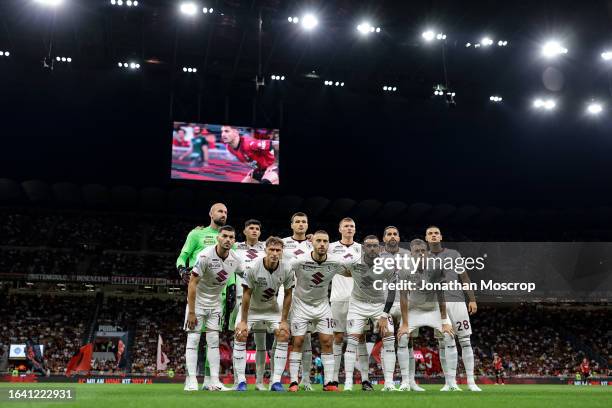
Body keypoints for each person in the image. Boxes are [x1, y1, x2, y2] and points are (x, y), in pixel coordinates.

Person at [287, 230, 353, 392]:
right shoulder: (300, 261)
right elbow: (285, 271)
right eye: (319, 241)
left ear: (329, 244)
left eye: (325, 241)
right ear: (312, 243)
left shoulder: (335, 262)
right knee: (298, 342)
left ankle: (329, 382)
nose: (322, 244)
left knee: (327, 341)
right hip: (301, 305)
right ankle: (294, 382)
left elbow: (350, 272)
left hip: (322, 305)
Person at [184, 226, 243, 392]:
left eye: (231, 237)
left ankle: (214, 381)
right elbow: (192, 283)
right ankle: (192, 381)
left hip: (216, 303)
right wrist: (192, 311)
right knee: (194, 340)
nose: (228, 240)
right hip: (198, 303)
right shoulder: (205, 256)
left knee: (213, 342)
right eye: (224, 236)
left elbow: (246, 275)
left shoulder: (235, 258)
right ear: (218, 238)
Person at [343, 235, 404, 392]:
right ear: (363, 247)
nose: (372, 248)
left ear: (380, 248)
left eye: (375, 246)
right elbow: (338, 269)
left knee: (389, 338)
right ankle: (348, 383)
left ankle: (389, 383)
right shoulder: (353, 262)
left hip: (379, 305)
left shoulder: (387, 265)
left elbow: (392, 290)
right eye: (368, 246)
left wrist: (384, 315)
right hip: (357, 305)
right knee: (352, 341)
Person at [233, 236, 294, 392]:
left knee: (283, 333)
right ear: (265, 250)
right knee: (240, 334)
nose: (274, 253)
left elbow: (288, 294)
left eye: (278, 250)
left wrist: (284, 320)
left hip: (271, 310)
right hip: (251, 309)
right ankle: (241, 381)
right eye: (271, 250)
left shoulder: (287, 269)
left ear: (282, 252)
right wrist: (243, 321)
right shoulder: (253, 267)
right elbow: (246, 295)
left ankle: (275, 382)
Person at [394, 239, 456, 391]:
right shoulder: (405, 269)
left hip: (434, 308)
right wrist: (405, 324)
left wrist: (444, 320)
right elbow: (403, 296)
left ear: (427, 252)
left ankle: (451, 383)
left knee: (449, 335)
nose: (421, 253)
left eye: (423, 251)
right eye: (417, 251)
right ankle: (406, 382)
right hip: (414, 308)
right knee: (402, 337)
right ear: (411, 253)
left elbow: (441, 295)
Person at [425, 226, 481, 391]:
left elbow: (464, 277)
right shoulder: (422, 257)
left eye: (436, 233)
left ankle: (471, 382)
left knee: (465, 341)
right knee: (445, 342)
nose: (434, 236)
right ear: (426, 238)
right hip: (436, 305)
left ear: (440, 236)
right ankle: (450, 383)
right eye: (430, 234)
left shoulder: (454, 254)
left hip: (457, 302)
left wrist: (472, 299)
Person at [328, 218, 369, 387]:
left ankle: (365, 379)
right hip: (337, 298)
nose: (349, 228)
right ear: (339, 229)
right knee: (337, 337)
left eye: (352, 226)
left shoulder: (362, 249)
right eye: (346, 226)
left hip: (358, 299)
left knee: (360, 338)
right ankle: (335, 379)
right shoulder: (330, 247)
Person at [281, 212, 314, 390]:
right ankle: (278, 378)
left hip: (306, 297)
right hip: (285, 294)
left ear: (307, 225)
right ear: (292, 225)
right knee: (282, 335)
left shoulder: (314, 244)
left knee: (306, 338)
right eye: (297, 222)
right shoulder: (283, 243)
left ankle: (306, 379)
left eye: (304, 222)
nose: (301, 224)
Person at [233, 219, 267, 390]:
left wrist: (308, 239)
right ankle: (240, 380)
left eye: (257, 229)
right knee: (239, 338)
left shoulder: (267, 247)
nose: (254, 230)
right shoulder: (235, 247)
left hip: (261, 301)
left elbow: (289, 247)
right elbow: (219, 240)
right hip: (240, 298)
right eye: (251, 228)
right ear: (244, 231)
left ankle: (260, 382)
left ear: (260, 232)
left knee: (261, 343)